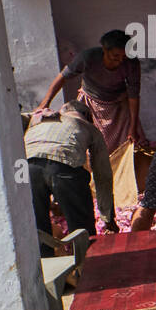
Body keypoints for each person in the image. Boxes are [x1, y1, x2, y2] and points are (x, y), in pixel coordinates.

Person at [24, 101, 117, 255]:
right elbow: (103, 176)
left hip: (23, 168)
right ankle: (86, 270)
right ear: (87, 117)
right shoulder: (89, 128)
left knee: (36, 225)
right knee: (81, 228)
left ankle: (46, 273)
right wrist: (107, 217)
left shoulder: (41, 118)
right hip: (64, 167)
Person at [34, 30, 146, 152]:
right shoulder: (88, 57)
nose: (120, 61)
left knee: (130, 143)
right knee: (92, 145)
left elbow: (133, 95)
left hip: (119, 105)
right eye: (115, 57)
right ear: (104, 50)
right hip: (90, 103)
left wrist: (132, 127)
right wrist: (45, 103)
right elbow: (63, 76)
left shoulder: (131, 63)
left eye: (124, 57)